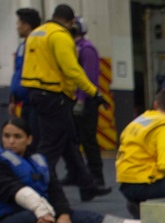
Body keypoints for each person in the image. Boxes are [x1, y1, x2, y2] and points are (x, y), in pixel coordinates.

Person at [0, 117, 139, 223]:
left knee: (85, 218)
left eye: (17, 136)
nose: (10, 141)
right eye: (7, 136)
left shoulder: (38, 161)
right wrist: (44, 214)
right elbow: (15, 191)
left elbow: (55, 191)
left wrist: (64, 215)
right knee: (31, 219)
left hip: (44, 217)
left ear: (29, 139)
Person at [20, 4, 110, 202]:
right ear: (69, 22)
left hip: (36, 94)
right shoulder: (60, 35)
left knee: (69, 142)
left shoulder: (37, 33)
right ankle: (35, 189)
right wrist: (94, 92)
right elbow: (72, 70)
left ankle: (87, 186)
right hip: (53, 96)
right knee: (49, 148)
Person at [65, 16, 104, 189]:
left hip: (86, 102)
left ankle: (97, 176)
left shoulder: (86, 49)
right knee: (72, 140)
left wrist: (81, 99)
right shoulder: (72, 48)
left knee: (88, 140)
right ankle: (76, 174)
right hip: (72, 100)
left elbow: (89, 78)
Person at [9, 7, 41, 153]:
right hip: (25, 104)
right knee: (25, 141)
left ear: (27, 25)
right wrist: (13, 100)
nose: (17, 27)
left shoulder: (40, 45)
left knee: (35, 142)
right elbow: (17, 73)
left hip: (36, 103)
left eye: (19, 23)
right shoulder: (22, 47)